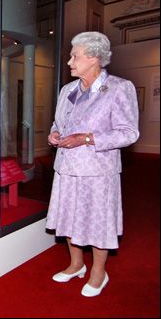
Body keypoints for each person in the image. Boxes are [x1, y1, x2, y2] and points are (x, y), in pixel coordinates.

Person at [46, 31, 139, 297]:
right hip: (66, 169)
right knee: (68, 218)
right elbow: (58, 124)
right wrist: (55, 134)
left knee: (98, 223)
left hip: (98, 171)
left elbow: (128, 132)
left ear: (94, 57)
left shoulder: (120, 88)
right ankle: (76, 265)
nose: (69, 62)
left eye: (75, 56)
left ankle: (99, 271)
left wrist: (87, 138)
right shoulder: (67, 91)